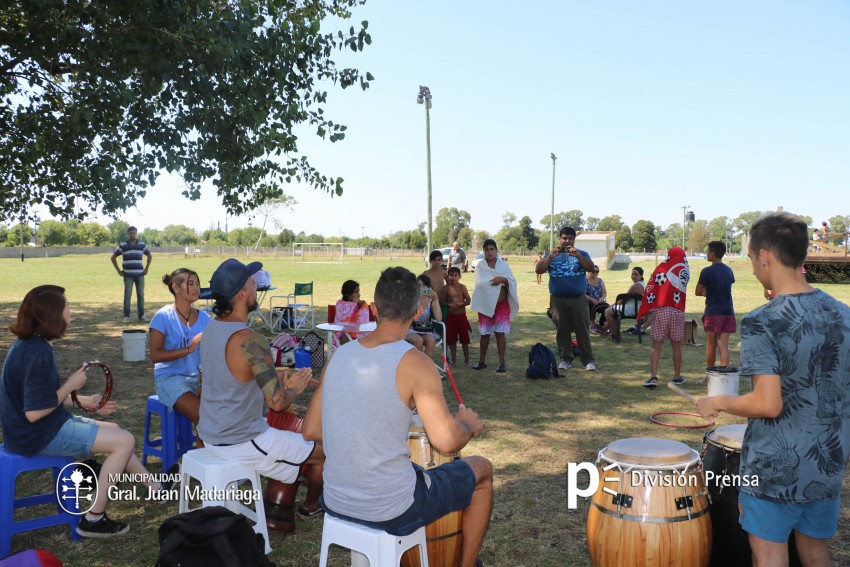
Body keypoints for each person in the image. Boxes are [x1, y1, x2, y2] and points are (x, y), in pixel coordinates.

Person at [302, 267, 493, 567]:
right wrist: (468, 424)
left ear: (374, 309)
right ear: (418, 312)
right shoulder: (417, 363)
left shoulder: (339, 356)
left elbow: (311, 429)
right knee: (482, 470)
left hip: (336, 501)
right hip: (391, 507)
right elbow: (446, 442)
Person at [696, 212, 850, 567]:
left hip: (773, 472)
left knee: (768, 557)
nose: (752, 267)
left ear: (764, 256)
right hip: (826, 465)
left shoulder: (763, 321)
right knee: (815, 554)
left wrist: (716, 401)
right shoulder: (842, 314)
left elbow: (768, 404)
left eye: (751, 258)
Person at [0, 285, 172, 537]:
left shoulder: (31, 344)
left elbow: (40, 398)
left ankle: (156, 488)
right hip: (36, 434)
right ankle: (93, 518)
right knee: (124, 441)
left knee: (115, 431)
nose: (70, 312)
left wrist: (82, 400)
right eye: (66, 307)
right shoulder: (36, 352)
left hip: (38, 428)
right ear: (52, 315)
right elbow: (34, 412)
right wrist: (70, 384)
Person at [197, 258, 324, 518]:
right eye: (253, 284)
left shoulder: (210, 330)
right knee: (326, 452)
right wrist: (294, 388)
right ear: (242, 294)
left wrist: (279, 377)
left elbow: (230, 375)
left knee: (290, 437)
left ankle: (289, 489)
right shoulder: (250, 340)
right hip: (240, 439)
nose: (257, 288)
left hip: (211, 433)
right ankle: (312, 505)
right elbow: (278, 402)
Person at [149, 268, 211, 429]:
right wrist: (188, 349)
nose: (197, 288)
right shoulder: (162, 317)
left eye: (197, 283)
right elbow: (155, 355)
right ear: (176, 288)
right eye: (190, 284)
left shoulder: (204, 318)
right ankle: (202, 453)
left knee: (223, 414)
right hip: (170, 379)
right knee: (205, 418)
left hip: (199, 380)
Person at [535, 227, 597, 371]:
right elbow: (539, 270)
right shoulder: (551, 254)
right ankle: (565, 359)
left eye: (570, 238)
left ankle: (587, 360)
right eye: (564, 238)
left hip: (578, 298)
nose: (567, 241)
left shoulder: (582, 253)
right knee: (562, 330)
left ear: (574, 239)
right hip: (558, 299)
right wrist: (550, 257)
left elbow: (591, 267)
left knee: (582, 330)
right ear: (560, 239)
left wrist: (578, 256)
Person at [636, 247, 689, 388]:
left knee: (656, 345)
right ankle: (677, 377)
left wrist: (645, 311)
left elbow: (651, 288)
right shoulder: (685, 270)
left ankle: (653, 378)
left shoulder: (662, 268)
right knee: (676, 345)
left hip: (661, 310)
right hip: (678, 311)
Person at [470, 239, 518, 373]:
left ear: (496, 250)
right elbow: (480, 285)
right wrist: (492, 283)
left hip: (501, 305)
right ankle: (481, 361)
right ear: (483, 251)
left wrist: (502, 280)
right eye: (486, 250)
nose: (489, 252)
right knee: (484, 334)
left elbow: (512, 282)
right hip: (485, 305)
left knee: (500, 333)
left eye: (492, 249)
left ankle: (501, 362)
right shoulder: (480, 266)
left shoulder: (504, 267)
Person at [695, 241, 736, 367]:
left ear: (712, 254)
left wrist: (705, 293)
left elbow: (697, 292)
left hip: (713, 312)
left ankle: (710, 376)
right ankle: (724, 376)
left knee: (711, 345)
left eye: (708, 251)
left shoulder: (706, 271)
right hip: (728, 312)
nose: (706, 254)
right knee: (723, 345)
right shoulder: (729, 270)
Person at [110, 226, 152, 323]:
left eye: (134, 233)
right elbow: (113, 257)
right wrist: (118, 271)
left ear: (136, 233)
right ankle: (126, 316)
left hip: (140, 274)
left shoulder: (142, 245)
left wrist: (146, 269)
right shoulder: (123, 245)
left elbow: (149, 255)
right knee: (127, 295)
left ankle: (141, 315)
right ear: (127, 234)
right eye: (130, 233)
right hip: (128, 275)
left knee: (140, 295)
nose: (132, 234)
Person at [600, 267, 645, 342]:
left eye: (636, 274)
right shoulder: (642, 284)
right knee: (612, 311)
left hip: (632, 309)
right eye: (632, 274)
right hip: (635, 308)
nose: (633, 276)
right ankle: (607, 329)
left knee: (607, 312)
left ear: (641, 276)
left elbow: (623, 300)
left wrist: (612, 305)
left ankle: (615, 334)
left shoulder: (636, 286)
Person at [405, 274, 443, 359]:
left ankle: (426, 366)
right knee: (419, 340)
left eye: (424, 285)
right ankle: (417, 367)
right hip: (411, 329)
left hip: (424, 329)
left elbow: (439, 318)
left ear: (429, 287)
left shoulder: (431, 300)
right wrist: (417, 300)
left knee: (431, 341)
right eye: (419, 285)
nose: (421, 288)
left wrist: (436, 299)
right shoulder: (412, 298)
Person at [444, 266, 472, 366]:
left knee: (464, 339)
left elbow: (468, 300)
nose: (453, 278)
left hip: (461, 317)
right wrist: (449, 305)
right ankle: (454, 360)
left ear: (460, 276)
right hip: (450, 318)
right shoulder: (446, 288)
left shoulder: (462, 287)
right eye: (451, 275)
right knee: (451, 340)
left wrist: (460, 304)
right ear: (448, 277)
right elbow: (442, 301)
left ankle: (467, 361)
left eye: (456, 275)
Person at [333, 279, 371, 346]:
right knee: (344, 337)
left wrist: (359, 304)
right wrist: (353, 306)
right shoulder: (340, 305)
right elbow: (341, 323)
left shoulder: (361, 305)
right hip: (344, 334)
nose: (359, 294)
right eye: (356, 292)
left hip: (359, 333)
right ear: (347, 294)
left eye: (358, 291)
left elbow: (364, 320)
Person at [585, 264, 608, 332]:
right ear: (588, 271)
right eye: (593, 271)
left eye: (597, 271)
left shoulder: (600, 281)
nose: (595, 273)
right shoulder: (584, 280)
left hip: (598, 301)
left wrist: (601, 298)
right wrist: (591, 299)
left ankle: (601, 325)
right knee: (591, 305)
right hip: (587, 301)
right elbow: (582, 294)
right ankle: (592, 325)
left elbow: (604, 292)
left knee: (607, 307)